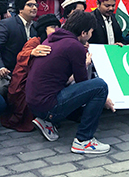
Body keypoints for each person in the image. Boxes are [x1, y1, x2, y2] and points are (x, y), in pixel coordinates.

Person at [26, 11, 114, 153]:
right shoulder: (75, 46)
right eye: (91, 32)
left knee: (85, 100)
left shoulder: (52, 39)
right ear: (84, 33)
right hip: (49, 105)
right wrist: (105, 99)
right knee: (100, 86)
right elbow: (82, 82)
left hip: (34, 104)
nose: (91, 35)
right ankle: (83, 140)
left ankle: (46, 121)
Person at [1, 14, 60, 132]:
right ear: (44, 29)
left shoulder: (57, 42)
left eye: (58, 27)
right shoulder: (35, 41)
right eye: (53, 27)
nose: (57, 30)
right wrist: (32, 52)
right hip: (25, 85)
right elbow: (21, 56)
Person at [0, 0, 38, 96]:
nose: (34, 8)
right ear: (20, 9)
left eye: (35, 5)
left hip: (28, 71)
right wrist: (0, 67)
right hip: (7, 69)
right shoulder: (6, 24)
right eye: (30, 5)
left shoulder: (37, 27)